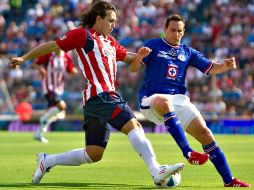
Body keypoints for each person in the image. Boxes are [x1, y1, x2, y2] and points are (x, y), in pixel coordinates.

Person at [9, 1, 185, 186]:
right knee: (135, 126)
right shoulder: (83, 35)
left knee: (93, 154)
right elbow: (53, 45)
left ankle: (47, 161)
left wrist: (153, 56)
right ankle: (156, 170)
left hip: (95, 102)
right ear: (98, 18)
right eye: (110, 20)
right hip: (102, 96)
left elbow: (132, 58)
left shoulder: (110, 42)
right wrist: (24, 57)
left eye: (115, 21)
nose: (114, 25)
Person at [130, 14, 251, 187]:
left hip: (178, 101)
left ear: (183, 32)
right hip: (151, 100)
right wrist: (139, 57)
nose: (176, 34)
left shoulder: (188, 52)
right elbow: (134, 68)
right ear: (165, 30)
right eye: (172, 30)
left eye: (179, 31)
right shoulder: (153, 45)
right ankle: (188, 152)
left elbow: (210, 67)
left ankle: (229, 180)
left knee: (205, 133)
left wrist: (225, 66)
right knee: (164, 101)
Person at [32, 48, 78, 143]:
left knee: (54, 112)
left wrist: (75, 71)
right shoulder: (48, 54)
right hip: (49, 86)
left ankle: (39, 133)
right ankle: (43, 119)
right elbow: (36, 63)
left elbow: (70, 70)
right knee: (62, 106)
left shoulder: (66, 57)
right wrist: (40, 68)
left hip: (59, 88)